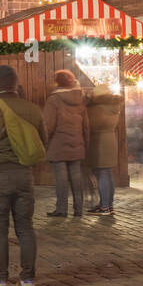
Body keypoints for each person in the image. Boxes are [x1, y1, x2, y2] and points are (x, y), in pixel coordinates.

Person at [0, 65, 45, 286]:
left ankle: (1, 280)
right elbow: (42, 140)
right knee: (25, 227)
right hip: (24, 174)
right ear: (16, 84)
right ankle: (28, 279)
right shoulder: (33, 109)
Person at [43, 69, 89, 218]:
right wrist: (85, 143)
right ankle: (78, 209)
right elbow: (86, 125)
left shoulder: (53, 99)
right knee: (76, 178)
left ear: (57, 82)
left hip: (58, 145)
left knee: (61, 180)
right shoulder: (80, 98)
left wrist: (45, 141)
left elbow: (48, 125)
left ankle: (62, 209)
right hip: (77, 143)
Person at [86, 83, 122, 215]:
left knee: (102, 174)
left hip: (99, 142)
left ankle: (104, 206)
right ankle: (108, 204)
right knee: (106, 173)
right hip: (110, 140)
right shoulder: (113, 106)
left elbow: (91, 124)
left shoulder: (98, 108)